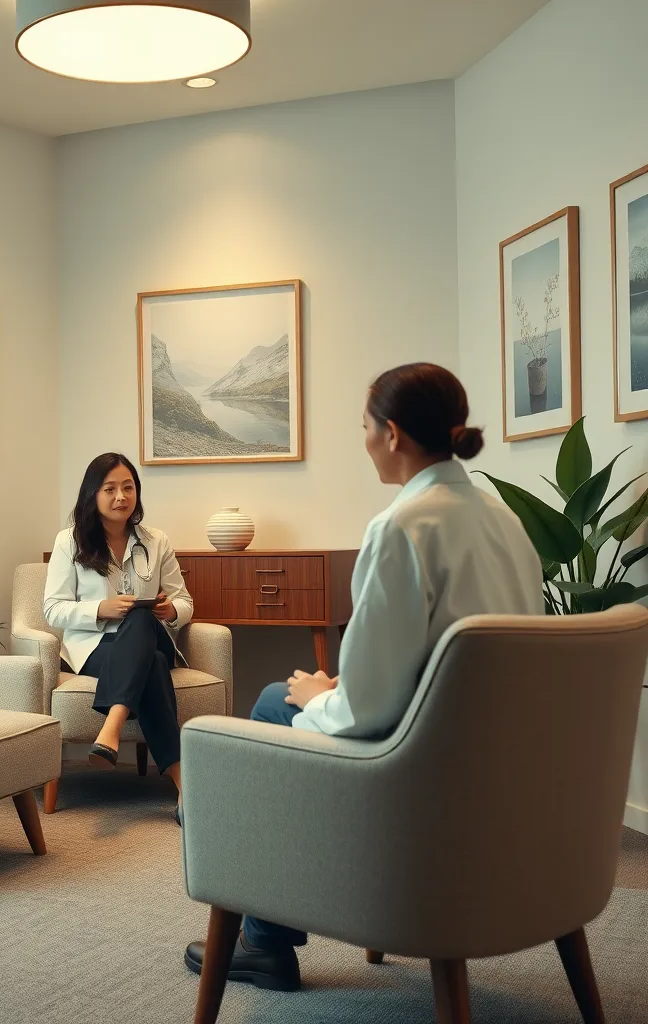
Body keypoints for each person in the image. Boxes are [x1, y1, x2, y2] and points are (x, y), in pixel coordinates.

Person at [184, 362, 544, 991]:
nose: (366, 440)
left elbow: (371, 712)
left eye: (365, 427)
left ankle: (262, 940)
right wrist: (338, 695)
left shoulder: (401, 528)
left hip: (418, 787)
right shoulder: (506, 523)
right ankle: (247, 897)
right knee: (292, 699)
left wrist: (324, 698)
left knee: (273, 704)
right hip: (503, 778)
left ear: (394, 435)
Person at [44, 452, 193, 821]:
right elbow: (52, 609)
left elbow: (184, 600)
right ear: (92, 494)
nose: (121, 496)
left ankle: (111, 726)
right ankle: (186, 790)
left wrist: (169, 611)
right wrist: (100, 610)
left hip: (151, 633)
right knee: (154, 665)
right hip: (96, 646)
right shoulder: (70, 542)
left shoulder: (156, 540)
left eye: (128, 487)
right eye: (110, 488)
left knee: (141, 622)